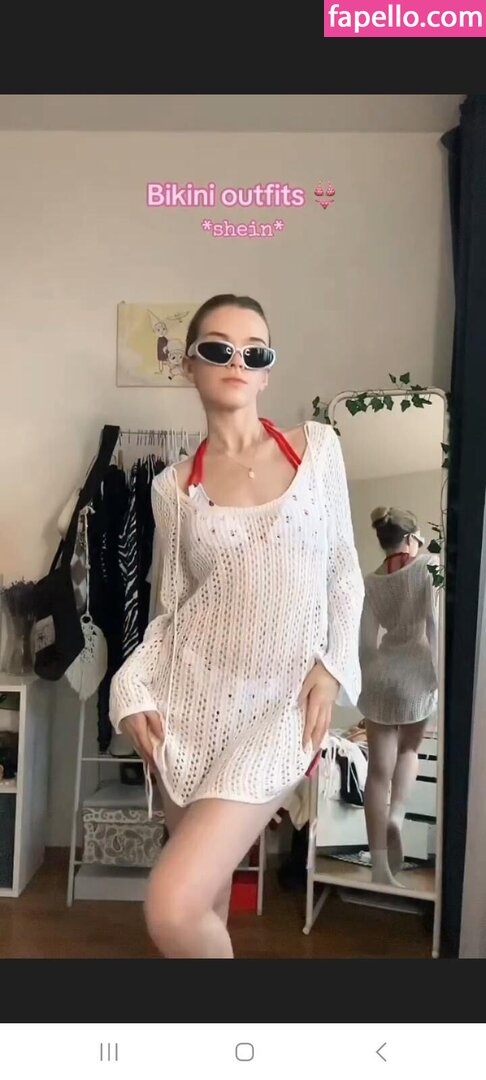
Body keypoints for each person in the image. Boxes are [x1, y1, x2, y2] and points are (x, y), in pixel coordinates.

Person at [109, 293, 364, 958]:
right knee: (206, 904)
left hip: (278, 707)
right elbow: (171, 614)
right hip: (186, 709)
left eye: (255, 352)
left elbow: (344, 571)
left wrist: (332, 667)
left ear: (268, 372)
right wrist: (129, 690)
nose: (237, 362)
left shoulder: (318, 449)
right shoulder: (172, 488)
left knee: (172, 905)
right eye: (219, 348)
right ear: (189, 364)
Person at [359, 506, 440, 887]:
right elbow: (433, 624)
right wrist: (438, 674)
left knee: (377, 772)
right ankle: (397, 816)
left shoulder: (372, 580)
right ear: (410, 538)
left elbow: (366, 640)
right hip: (415, 672)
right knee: (409, 752)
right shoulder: (427, 567)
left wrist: (368, 678)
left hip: (381, 674)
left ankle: (379, 867)